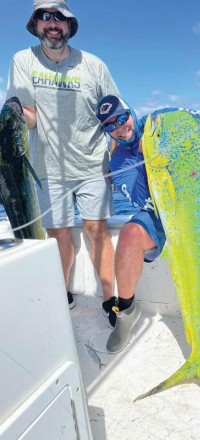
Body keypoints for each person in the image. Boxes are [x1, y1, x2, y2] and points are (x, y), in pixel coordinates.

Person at [95, 95, 200, 373]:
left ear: (130, 112)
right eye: (110, 125)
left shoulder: (161, 119)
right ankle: (126, 312)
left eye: (121, 117)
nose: (120, 126)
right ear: (106, 131)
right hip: (162, 211)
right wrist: (147, 159)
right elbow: (146, 201)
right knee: (129, 234)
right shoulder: (119, 162)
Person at [6, 0, 119, 309]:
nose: (52, 22)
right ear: (35, 24)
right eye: (44, 16)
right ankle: (62, 293)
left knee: (98, 231)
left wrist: (116, 154)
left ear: (69, 25)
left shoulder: (93, 64)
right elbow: (27, 113)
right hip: (46, 168)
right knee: (57, 235)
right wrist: (11, 121)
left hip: (93, 165)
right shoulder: (23, 60)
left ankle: (111, 298)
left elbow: (115, 114)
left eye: (59, 17)